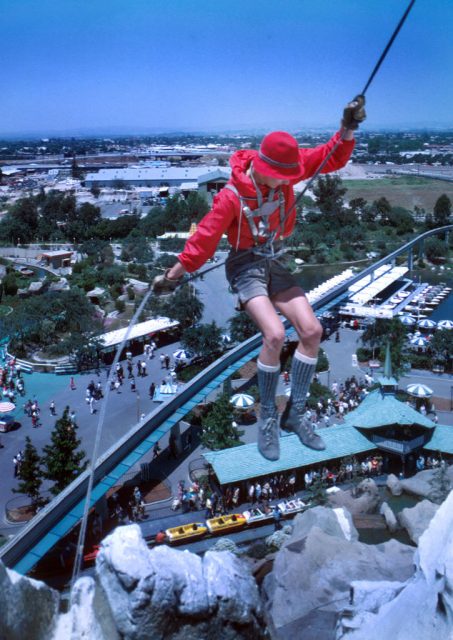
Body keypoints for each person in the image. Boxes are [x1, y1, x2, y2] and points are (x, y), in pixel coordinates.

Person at [152, 97, 365, 461]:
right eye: (281, 177)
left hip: (273, 261)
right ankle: (267, 418)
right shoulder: (231, 197)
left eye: (289, 176)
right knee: (276, 334)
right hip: (245, 266)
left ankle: (293, 415)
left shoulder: (284, 172)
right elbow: (203, 240)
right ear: (263, 166)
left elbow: (330, 156)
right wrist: (171, 276)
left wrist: (348, 127)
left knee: (312, 332)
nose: (287, 182)